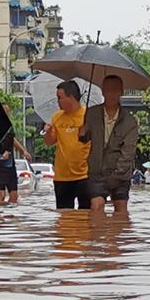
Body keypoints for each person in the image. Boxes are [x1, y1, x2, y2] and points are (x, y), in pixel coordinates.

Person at [81, 74, 140, 218]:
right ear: (102, 91)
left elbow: (128, 152)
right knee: (96, 207)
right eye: (108, 90)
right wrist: (82, 133)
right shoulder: (92, 113)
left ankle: (118, 237)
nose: (111, 94)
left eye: (115, 90)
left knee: (121, 212)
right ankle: (97, 239)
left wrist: (117, 175)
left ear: (122, 92)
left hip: (120, 174)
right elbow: (84, 139)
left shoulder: (130, 121)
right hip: (96, 171)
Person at [42, 80, 90, 210]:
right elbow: (49, 142)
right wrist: (47, 132)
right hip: (62, 177)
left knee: (85, 216)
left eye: (60, 98)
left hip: (84, 175)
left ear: (71, 97)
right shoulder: (57, 117)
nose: (58, 101)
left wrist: (86, 132)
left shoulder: (89, 116)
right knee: (64, 218)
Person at [0, 132, 34, 206]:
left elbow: (13, 140)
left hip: (10, 167)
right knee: (1, 196)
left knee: (14, 197)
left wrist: (23, 151)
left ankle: (9, 214)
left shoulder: (8, 131)